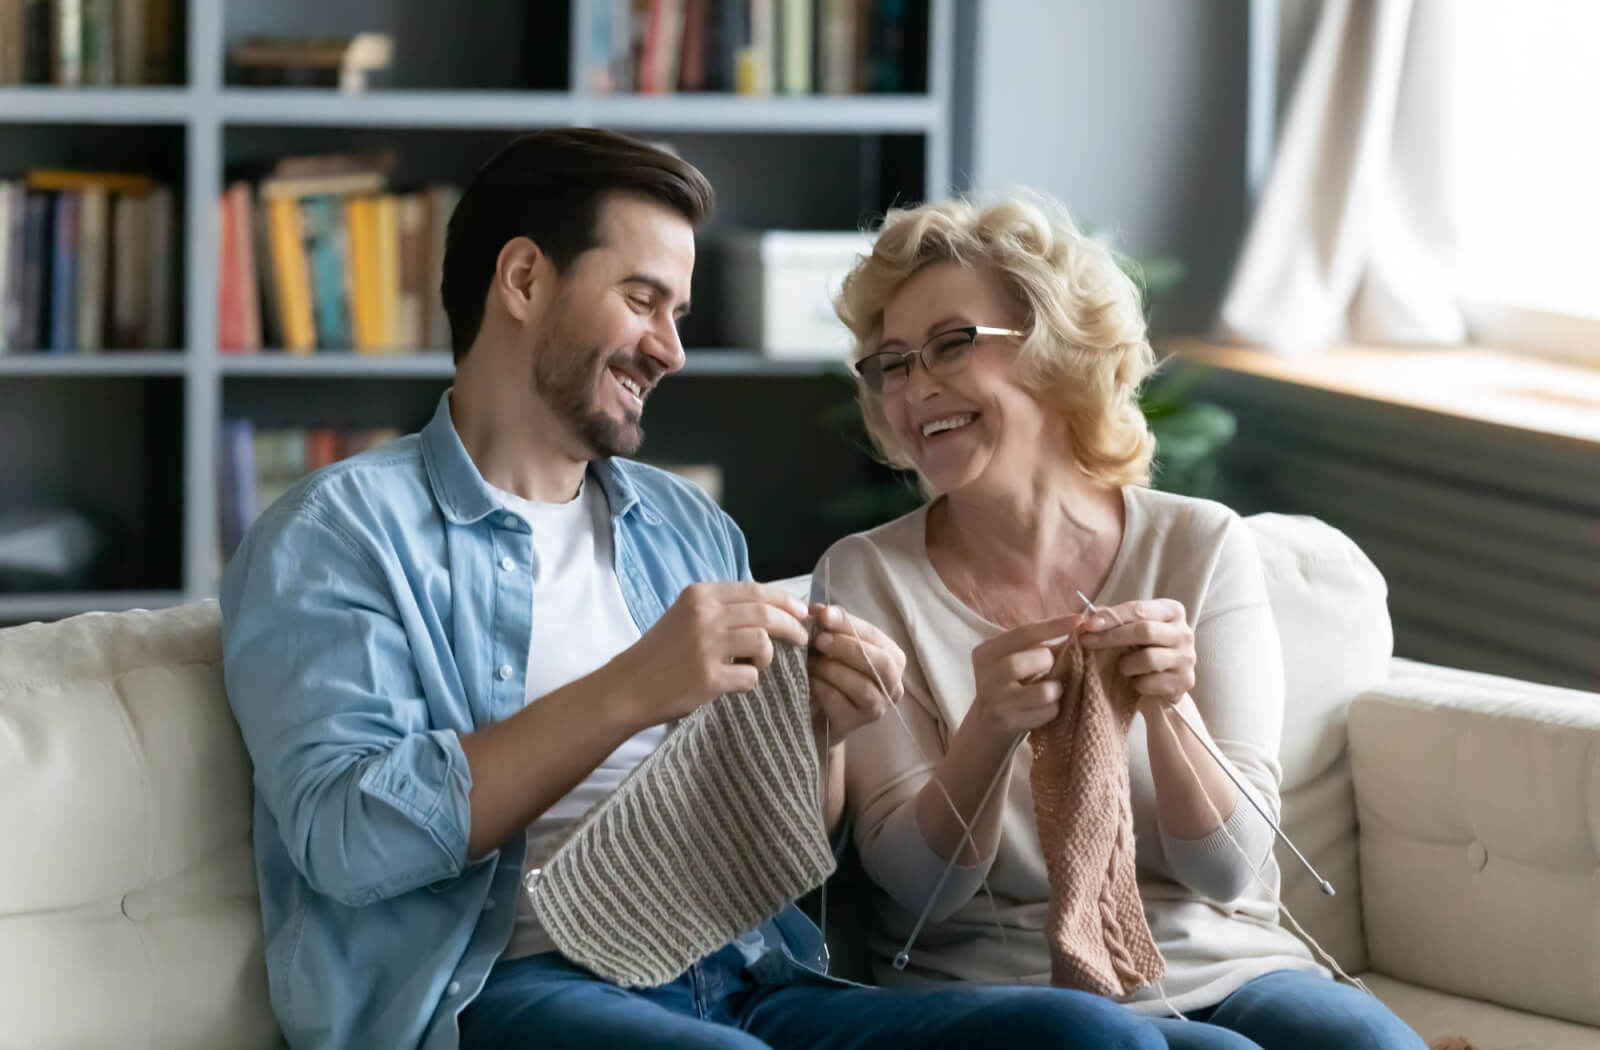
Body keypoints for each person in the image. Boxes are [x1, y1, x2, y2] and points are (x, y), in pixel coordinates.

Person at [220, 129, 1167, 1050]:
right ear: (522, 279)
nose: (670, 349)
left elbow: (773, 834)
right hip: (507, 986)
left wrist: (820, 729)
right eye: (643, 301)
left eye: (676, 313)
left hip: (747, 978)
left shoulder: (686, 529)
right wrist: (637, 685)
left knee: (1085, 1033)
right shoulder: (340, 533)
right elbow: (350, 840)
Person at [815, 192, 1429, 1050]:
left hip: (1228, 958)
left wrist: (1172, 713)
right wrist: (987, 731)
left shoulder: (1200, 545)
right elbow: (918, 893)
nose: (917, 389)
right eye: (892, 363)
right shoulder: (866, 576)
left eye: (951, 344)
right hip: (1000, 983)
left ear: (1055, 348)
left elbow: (1229, 870)